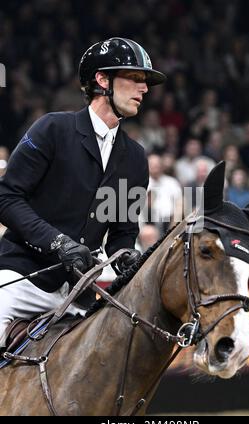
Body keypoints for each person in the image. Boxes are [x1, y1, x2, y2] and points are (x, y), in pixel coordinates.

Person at [0, 37, 166, 349]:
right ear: (102, 80)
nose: (144, 89)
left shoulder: (134, 158)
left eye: (144, 82)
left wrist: (127, 256)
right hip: (21, 279)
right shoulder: (52, 129)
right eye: (135, 78)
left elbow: (121, 233)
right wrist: (57, 241)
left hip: (78, 293)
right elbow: (6, 198)